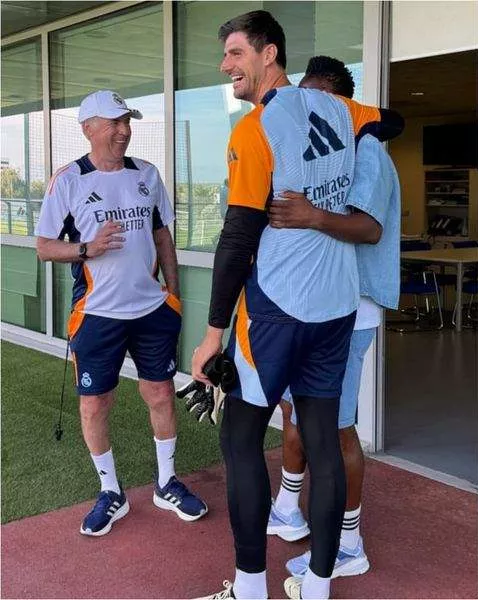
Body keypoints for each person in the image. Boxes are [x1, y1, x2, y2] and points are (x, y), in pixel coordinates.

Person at [191, 11, 403, 600]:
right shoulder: (345, 113)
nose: (226, 65)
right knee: (324, 439)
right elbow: (394, 119)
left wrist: (212, 333)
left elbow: (237, 236)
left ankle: (252, 587)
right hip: (336, 311)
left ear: (269, 54)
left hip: (277, 312)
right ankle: (317, 587)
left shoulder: (256, 128)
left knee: (239, 440)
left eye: (236, 53)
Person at [35, 90, 207, 537]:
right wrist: (86, 248)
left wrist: (174, 294)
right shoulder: (68, 180)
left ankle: (166, 482)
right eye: (114, 122)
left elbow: (163, 236)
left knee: (161, 394)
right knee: (95, 403)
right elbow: (43, 247)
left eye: (127, 121)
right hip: (97, 314)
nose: (124, 130)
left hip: (152, 310)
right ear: (88, 127)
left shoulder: (146, 174)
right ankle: (111, 492)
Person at [266, 56, 401, 585]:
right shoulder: (323, 153)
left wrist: (310, 215)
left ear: (343, 104)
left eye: (319, 98)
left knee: (337, 430)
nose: (309, 108)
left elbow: (367, 229)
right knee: (297, 414)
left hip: (352, 309)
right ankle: (287, 508)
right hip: (317, 305)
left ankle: (349, 543)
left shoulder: (368, 148)